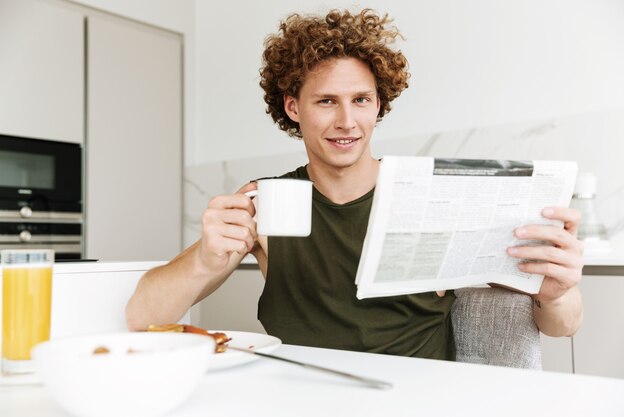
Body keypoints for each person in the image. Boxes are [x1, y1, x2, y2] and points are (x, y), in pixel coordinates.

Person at [126, 9, 583, 360]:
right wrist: (206, 259)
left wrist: (558, 293)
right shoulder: (262, 201)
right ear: (292, 107)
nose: (347, 121)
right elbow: (143, 316)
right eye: (326, 101)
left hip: (420, 398)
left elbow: (562, 327)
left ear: (378, 103)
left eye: (361, 100)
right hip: (305, 395)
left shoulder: (428, 194)